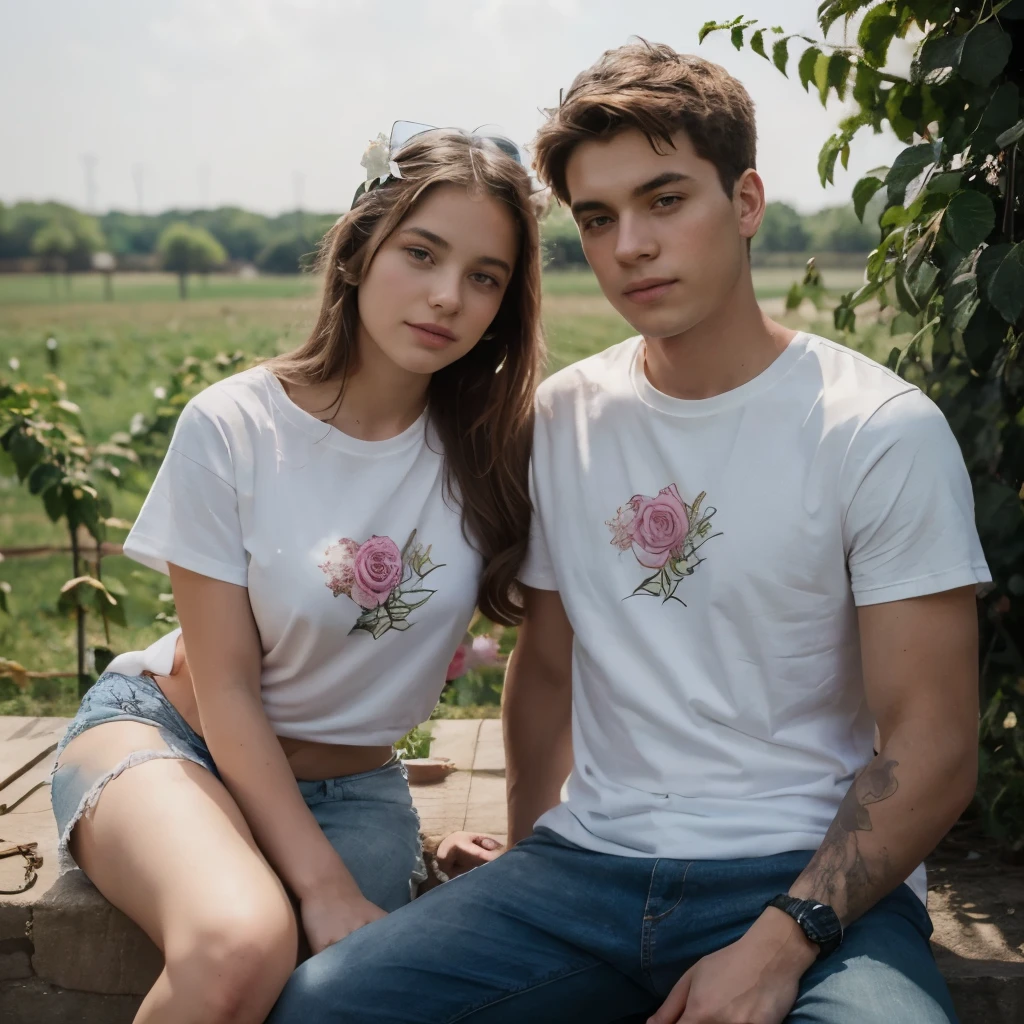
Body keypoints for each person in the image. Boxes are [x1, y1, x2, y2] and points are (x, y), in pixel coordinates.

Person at [268, 41, 988, 1024]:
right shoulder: (565, 416)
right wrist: (526, 849)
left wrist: (780, 943)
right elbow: (548, 664)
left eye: (664, 201)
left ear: (744, 203)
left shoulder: (875, 430)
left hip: (810, 880)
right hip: (587, 868)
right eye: (598, 219)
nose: (630, 246)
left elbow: (935, 744)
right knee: (324, 1008)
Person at [49, 124, 545, 1024]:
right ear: (359, 251)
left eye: (485, 276)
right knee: (244, 944)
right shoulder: (235, 426)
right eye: (421, 254)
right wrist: (315, 884)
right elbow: (230, 690)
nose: (446, 297)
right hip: (174, 744)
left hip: (357, 788)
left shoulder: (498, 454)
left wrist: (543, 845)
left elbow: (559, 658)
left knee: (352, 996)